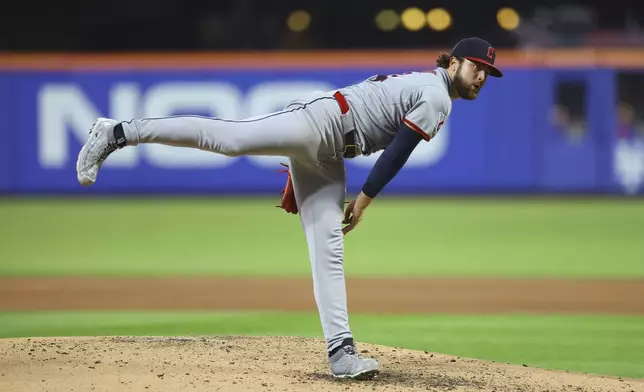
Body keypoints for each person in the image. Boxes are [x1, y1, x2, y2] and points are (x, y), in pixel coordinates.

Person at [76, 37, 503, 380]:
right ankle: (117, 131)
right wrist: (364, 202)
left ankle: (341, 352)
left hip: (330, 148)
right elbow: (397, 154)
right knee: (229, 139)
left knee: (328, 245)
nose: (481, 76)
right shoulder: (437, 95)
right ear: (453, 64)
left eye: (487, 71)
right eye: (475, 66)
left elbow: (392, 148)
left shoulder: (430, 88)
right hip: (321, 123)